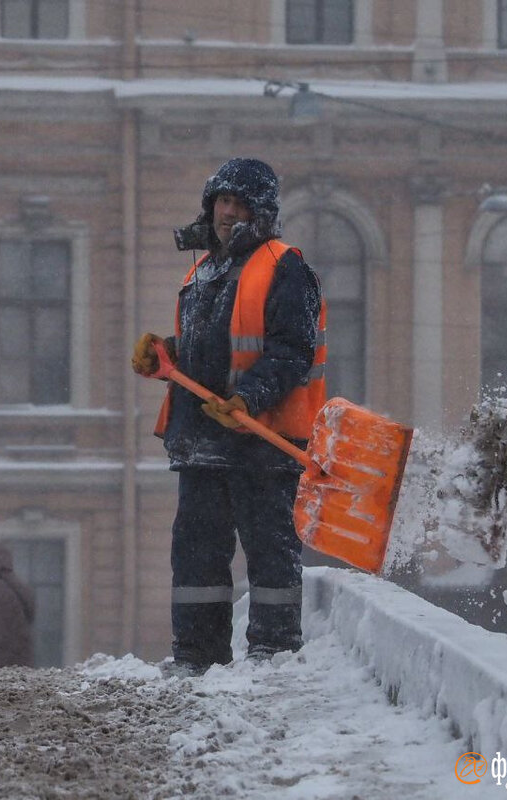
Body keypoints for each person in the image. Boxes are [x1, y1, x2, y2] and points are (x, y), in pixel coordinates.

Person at [131, 157, 326, 674]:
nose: (227, 212)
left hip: (262, 439)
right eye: (221, 201)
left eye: (239, 203)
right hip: (202, 441)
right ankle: (196, 654)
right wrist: (165, 354)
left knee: (269, 550)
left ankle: (273, 653)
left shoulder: (285, 266)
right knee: (196, 555)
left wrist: (250, 398)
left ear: (259, 213)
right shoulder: (203, 269)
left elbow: (292, 350)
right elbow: (210, 352)